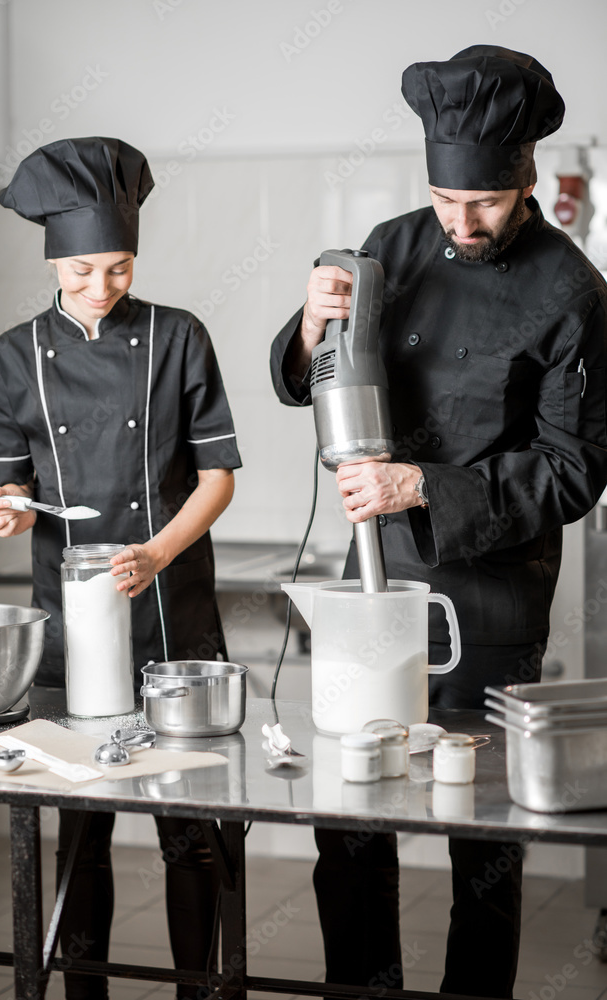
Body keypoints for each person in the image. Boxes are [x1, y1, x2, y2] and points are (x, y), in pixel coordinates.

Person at [271, 45, 607, 998]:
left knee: (477, 847)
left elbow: (573, 473)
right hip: (372, 589)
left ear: (526, 176)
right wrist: (307, 328)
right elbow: (321, 375)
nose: (458, 224)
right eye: (442, 199)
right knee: (351, 827)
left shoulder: (572, 296)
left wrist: (419, 486)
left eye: (481, 205)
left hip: (491, 603)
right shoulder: (395, 242)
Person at [0, 136, 242, 1000]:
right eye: (85, 270)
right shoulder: (12, 356)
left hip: (173, 615)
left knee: (189, 831)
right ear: (54, 258)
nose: (102, 288)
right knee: (80, 832)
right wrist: (7, 509)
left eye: (120, 269)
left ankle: (200, 992)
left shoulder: (178, 338)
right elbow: (9, 490)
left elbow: (217, 478)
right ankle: (82, 991)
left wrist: (159, 551)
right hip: (71, 627)